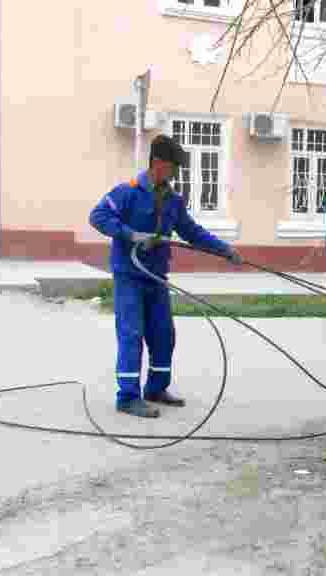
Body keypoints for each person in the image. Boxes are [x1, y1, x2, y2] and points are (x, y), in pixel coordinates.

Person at [89, 134, 244, 418]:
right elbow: (98, 217)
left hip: (156, 277)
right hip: (130, 276)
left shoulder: (173, 200)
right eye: (174, 167)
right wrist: (131, 234)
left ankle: (156, 389)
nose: (176, 173)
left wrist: (224, 250)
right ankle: (127, 397)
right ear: (158, 163)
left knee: (163, 334)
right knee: (132, 334)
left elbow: (192, 232)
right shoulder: (127, 192)